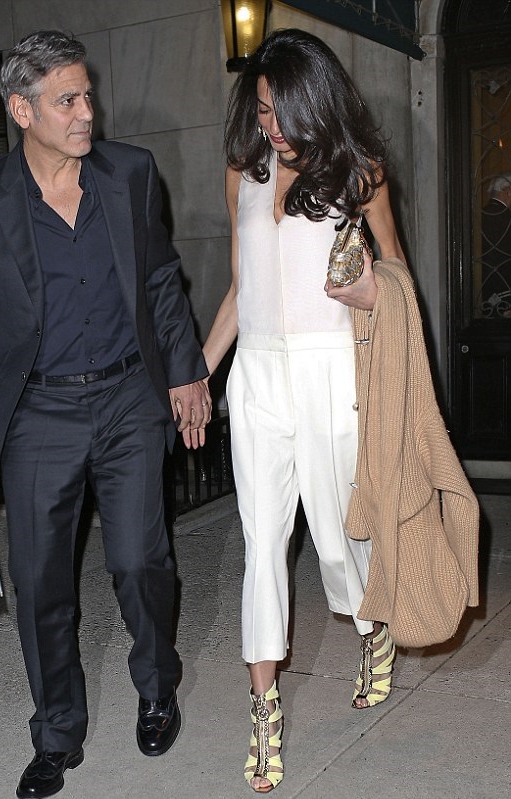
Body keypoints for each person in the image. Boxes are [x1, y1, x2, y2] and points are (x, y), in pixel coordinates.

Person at [0, 30, 211, 799]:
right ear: (22, 110)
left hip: (128, 399)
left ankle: (157, 686)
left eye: (87, 95)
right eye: (67, 100)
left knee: (140, 560)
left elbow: (161, 280)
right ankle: (57, 733)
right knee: (40, 582)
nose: (87, 112)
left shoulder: (130, 173)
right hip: (37, 412)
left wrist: (185, 370)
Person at [201, 29, 406, 792]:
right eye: (262, 110)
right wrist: (198, 372)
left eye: (285, 110)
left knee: (335, 539)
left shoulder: (360, 172)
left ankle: (371, 626)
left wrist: (369, 289)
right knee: (262, 542)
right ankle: (264, 710)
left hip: (330, 372)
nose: (274, 127)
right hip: (257, 374)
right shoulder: (243, 171)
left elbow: (397, 280)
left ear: (317, 100)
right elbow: (242, 288)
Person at [481, 172, 511, 317]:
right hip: (504, 291)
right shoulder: (507, 219)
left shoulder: (480, 215)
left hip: (483, 290)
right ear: (508, 192)